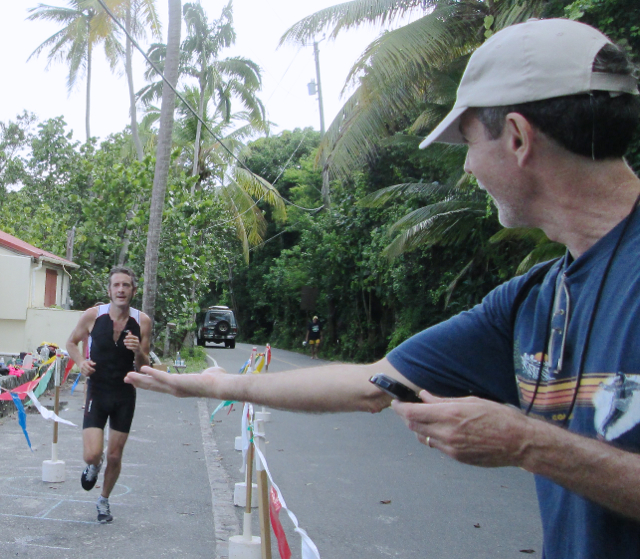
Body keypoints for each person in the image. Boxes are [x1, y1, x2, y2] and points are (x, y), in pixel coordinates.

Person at [126, 19, 640, 558]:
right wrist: (212, 385)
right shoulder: (534, 299)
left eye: (468, 142)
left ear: (517, 137)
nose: (467, 167)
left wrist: (528, 443)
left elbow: (532, 445)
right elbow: (371, 384)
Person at [67, 266, 151, 523]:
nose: (121, 290)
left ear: (133, 290)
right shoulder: (93, 316)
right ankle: (94, 464)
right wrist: (81, 362)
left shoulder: (142, 321)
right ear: (109, 290)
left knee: (116, 454)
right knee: (92, 453)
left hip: (125, 392)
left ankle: (103, 500)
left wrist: (137, 351)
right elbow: (71, 342)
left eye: (126, 285)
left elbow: (144, 365)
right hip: (98, 390)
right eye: (117, 285)